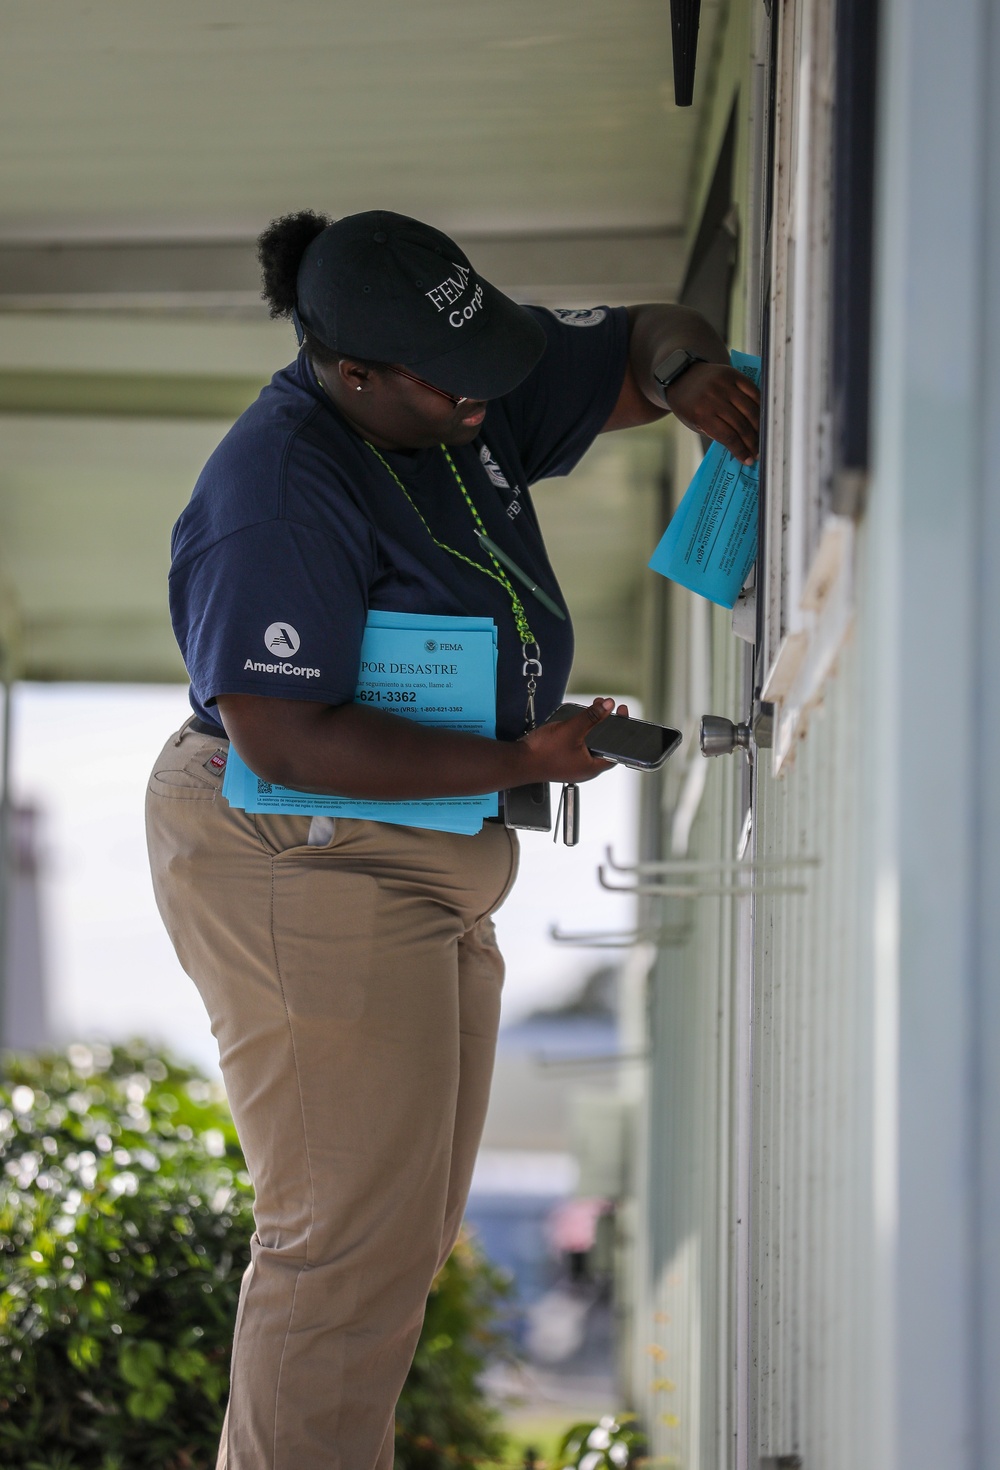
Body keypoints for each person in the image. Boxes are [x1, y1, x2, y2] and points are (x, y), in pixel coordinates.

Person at [145, 208, 759, 1470]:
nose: (484, 404)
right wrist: (516, 761)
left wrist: (689, 372)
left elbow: (646, 333)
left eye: (492, 371)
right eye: (450, 387)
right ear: (347, 369)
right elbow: (287, 739)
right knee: (338, 1240)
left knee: (398, 1237)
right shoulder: (272, 492)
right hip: (298, 846)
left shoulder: (457, 385)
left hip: (418, 855)